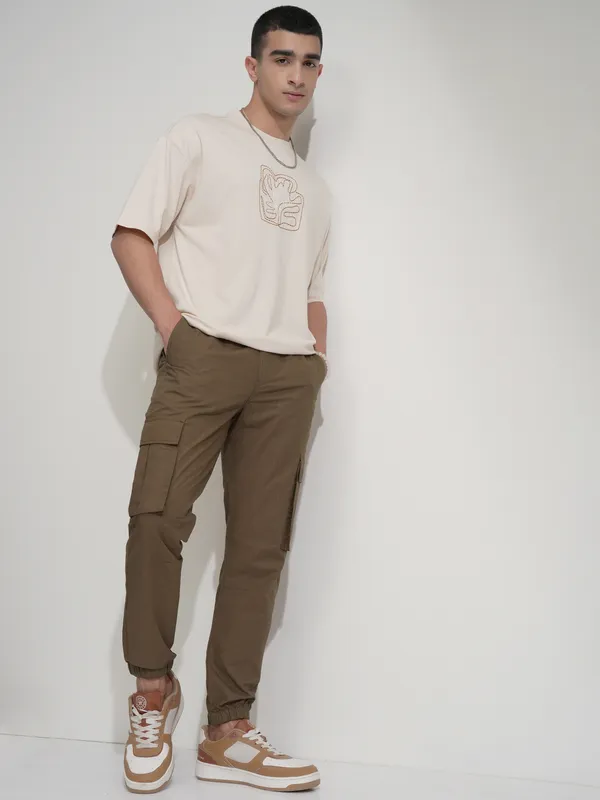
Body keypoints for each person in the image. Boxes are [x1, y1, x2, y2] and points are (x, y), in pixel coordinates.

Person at [110, 5, 331, 794]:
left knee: (259, 550)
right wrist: (176, 331)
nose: (296, 76)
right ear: (252, 65)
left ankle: (228, 731)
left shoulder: (317, 189)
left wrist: (314, 360)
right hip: (203, 357)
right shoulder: (199, 137)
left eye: (309, 62)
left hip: (287, 374)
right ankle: (151, 692)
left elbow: (312, 289)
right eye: (282, 59)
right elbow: (132, 234)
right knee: (157, 517)